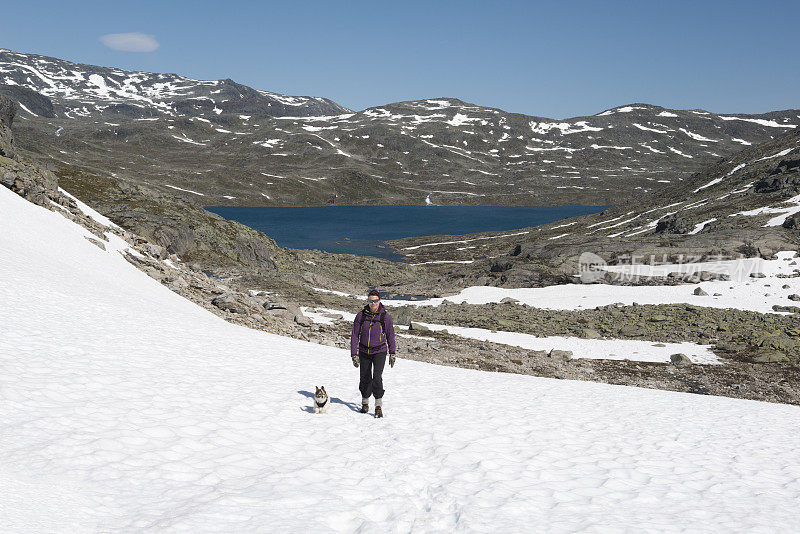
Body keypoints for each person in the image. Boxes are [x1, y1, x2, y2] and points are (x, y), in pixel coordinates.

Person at [351, 289, 396, 418]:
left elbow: (390, 336)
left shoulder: (385, 316)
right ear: (368, 301)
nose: (373, 303)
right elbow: (354, 335)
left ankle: (378, 406)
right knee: (365, 377)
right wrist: (354, 354)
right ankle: (365, 403)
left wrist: (392, 353)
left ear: (379, 300)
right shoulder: (361, 315)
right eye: (371, 301)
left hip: (380, 351)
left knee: (377, 377)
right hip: (364, 351)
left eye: (375, 301)